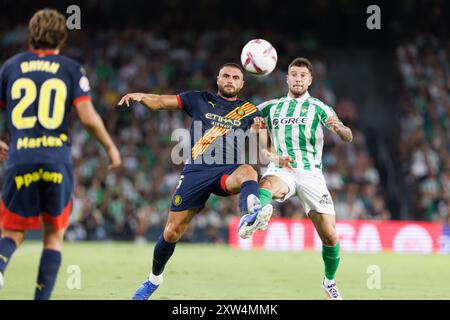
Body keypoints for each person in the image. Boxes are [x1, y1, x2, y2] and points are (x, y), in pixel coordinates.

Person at [118, 63, 272, 300]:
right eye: (226, 76)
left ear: (242, 84)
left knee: (249, 171)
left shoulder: (249, 110)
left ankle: (249, 214)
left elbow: (263, 140)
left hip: (227, 171)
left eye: (236, 77)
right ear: (218, 79)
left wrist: (269, 148)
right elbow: (160, 101)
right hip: (196, 172)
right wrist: (141, 96)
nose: (230, 80)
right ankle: (153, 280)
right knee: (171, 233)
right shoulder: (198, 99)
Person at [0, 9, 121, 299]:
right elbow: (88, 117)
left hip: (20, 158)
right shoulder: (70, 68)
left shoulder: (10, 66)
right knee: (53, 235)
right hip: (56, 160)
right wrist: (109, 147)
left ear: (30, 34)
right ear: (62, 39)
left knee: (13, 232)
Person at [253, 57, 353, 300]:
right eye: (293, 75)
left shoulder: (319, 108)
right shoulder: (271, 106)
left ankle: (329, 282)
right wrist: (258, 131)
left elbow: (348, 135)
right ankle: (256, 213)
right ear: (287, 78)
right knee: (266, 184)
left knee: (329, 236)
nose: (298, 79)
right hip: (282, 168)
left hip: (311, 174)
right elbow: (249, 120)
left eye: (302, 76)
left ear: (310, 80)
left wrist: (340, 129)